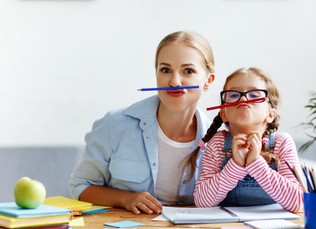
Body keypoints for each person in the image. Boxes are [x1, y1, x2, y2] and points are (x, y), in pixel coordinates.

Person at [69, 31, 215, 215]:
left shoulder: (218, 142)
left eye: (188, 71)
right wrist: (125, 199)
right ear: (156, 75)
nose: (175, 81)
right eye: (166, 70)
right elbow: (80, 186)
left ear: (208, 81)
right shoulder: (114, 125)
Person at [186, 67, 303, 213]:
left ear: (271, 114)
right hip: (225, 225)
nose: (243, 99)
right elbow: (202, 201)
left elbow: (299, 201)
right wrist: (236, 165)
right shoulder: (217, 144)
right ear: (224, 114)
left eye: (254, 95)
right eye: (233, 95)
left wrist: (255, 164)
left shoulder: (281, 143)